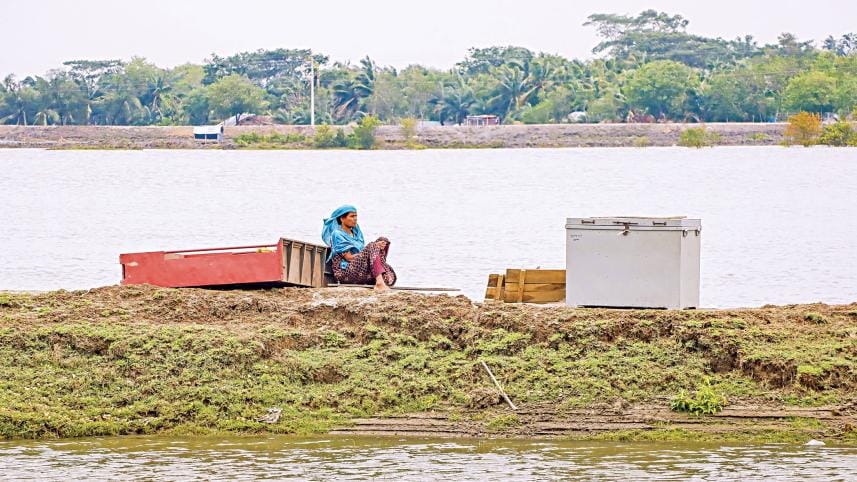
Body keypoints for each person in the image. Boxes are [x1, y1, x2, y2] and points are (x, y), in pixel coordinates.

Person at [321, 205, 396, 290]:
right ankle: (379, 282)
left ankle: (380, 275)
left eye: (356, 216)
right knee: (373, 245)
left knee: (383, 240)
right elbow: (349, 258)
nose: (355, 219)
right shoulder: (337, 234)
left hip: (360, 270)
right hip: (346, 272)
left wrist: (378, 247)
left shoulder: (356, 233)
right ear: (342, 218)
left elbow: (364, 253)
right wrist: (371, 249)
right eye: (352, 216)